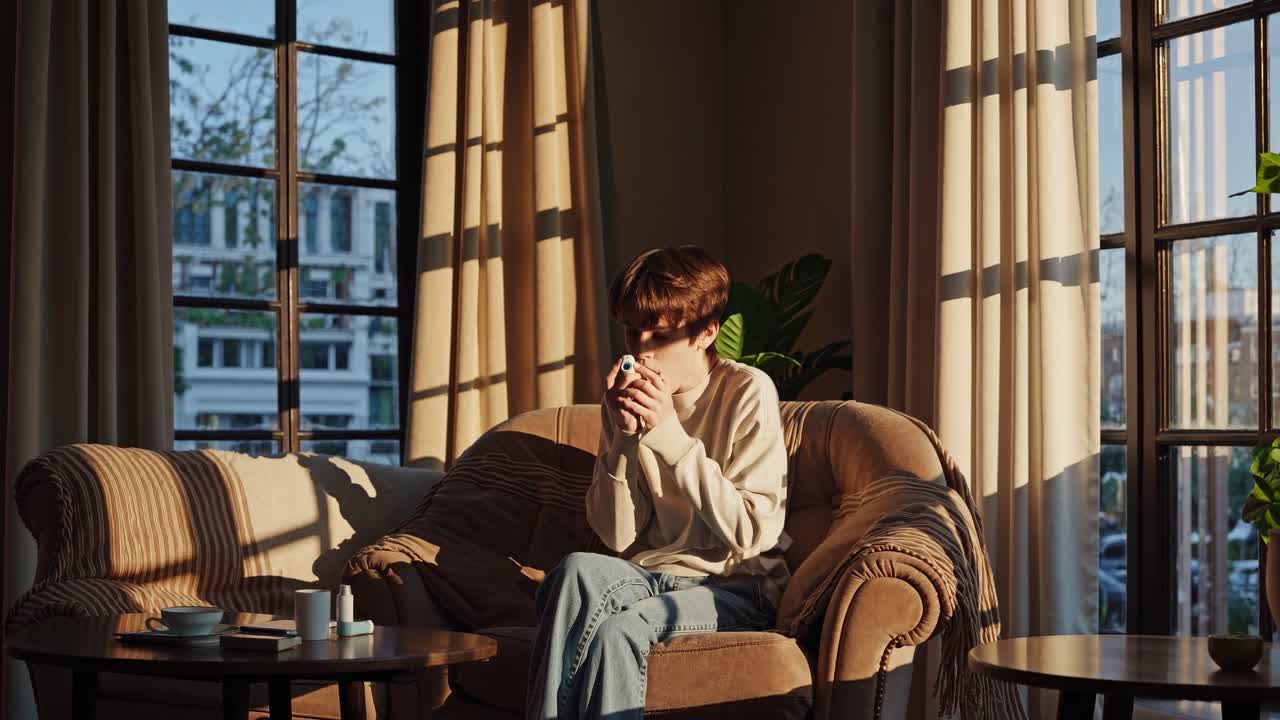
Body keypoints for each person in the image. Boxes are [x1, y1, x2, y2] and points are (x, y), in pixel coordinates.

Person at [526, 246, 791, 720]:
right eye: (631, 330)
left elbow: (753, 533)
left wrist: (668, 434)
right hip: (651, 574)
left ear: (705, 333)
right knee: (574, 572)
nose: (640, 349)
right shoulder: (625, 400)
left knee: (617, 633)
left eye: (660, 335)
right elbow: (618, 536)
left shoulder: (748, 391)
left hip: (737, 586)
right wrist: (623, 443)